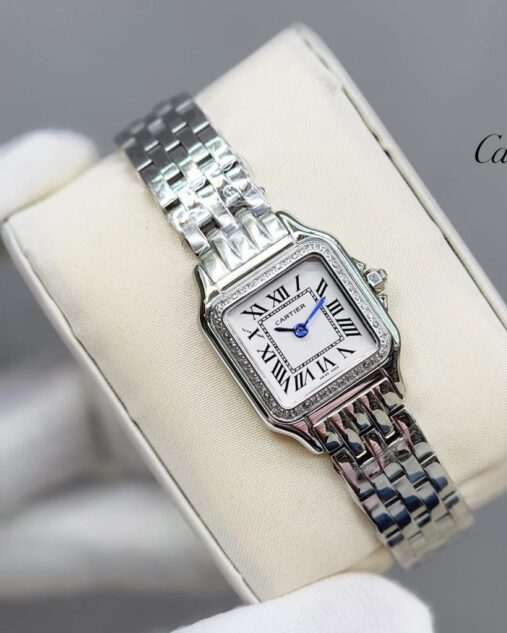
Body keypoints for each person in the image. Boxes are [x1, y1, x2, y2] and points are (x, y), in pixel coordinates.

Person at [0, 130, 434, 633]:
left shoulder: (325, 276)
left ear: (366, 284)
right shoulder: (241, 328)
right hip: (301, 408)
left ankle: (427, 520)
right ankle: (428, 521)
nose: (300, 330)